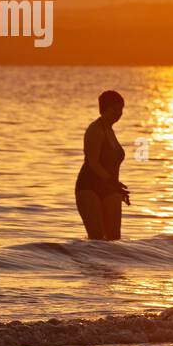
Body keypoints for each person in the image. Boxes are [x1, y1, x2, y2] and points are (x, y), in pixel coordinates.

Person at [75, 90, 129, 240]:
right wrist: (113, 182)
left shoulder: (110, 130)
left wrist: (115, 187)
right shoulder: (95, 129)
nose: (119, 113)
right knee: (97, 239)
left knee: (114, 239)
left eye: (121, 109)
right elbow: (93, 162)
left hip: (110, 188)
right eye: (115, 109)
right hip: (89, 187)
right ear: (104, 109)